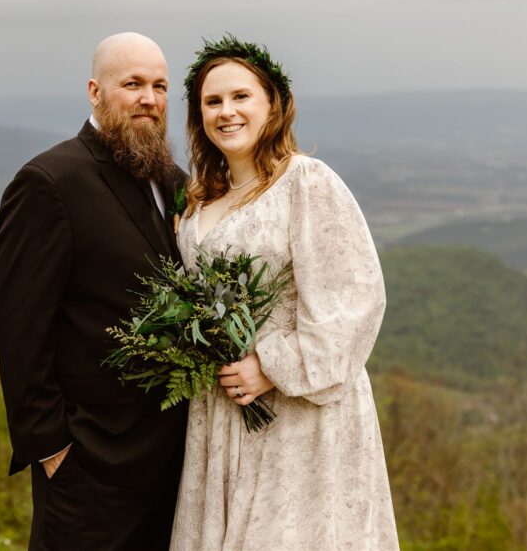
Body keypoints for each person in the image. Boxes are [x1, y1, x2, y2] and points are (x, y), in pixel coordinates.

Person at [169, 36, 400, 550]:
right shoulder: (197, 201)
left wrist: (271, 366)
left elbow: (355, 301)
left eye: (240, 97)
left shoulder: (306, 183)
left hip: (301, 416)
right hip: (223, 412)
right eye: (212, 102)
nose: (226, 112)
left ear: (273, 103)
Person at [0, 32, 189, 551]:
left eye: (160, 86)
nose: (149, 98)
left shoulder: (174, 181)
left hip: (176, 462)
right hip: (89, 464)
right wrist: (51, 447)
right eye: (133, 84)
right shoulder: (49, 182)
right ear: (94, 91)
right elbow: (19, 327)